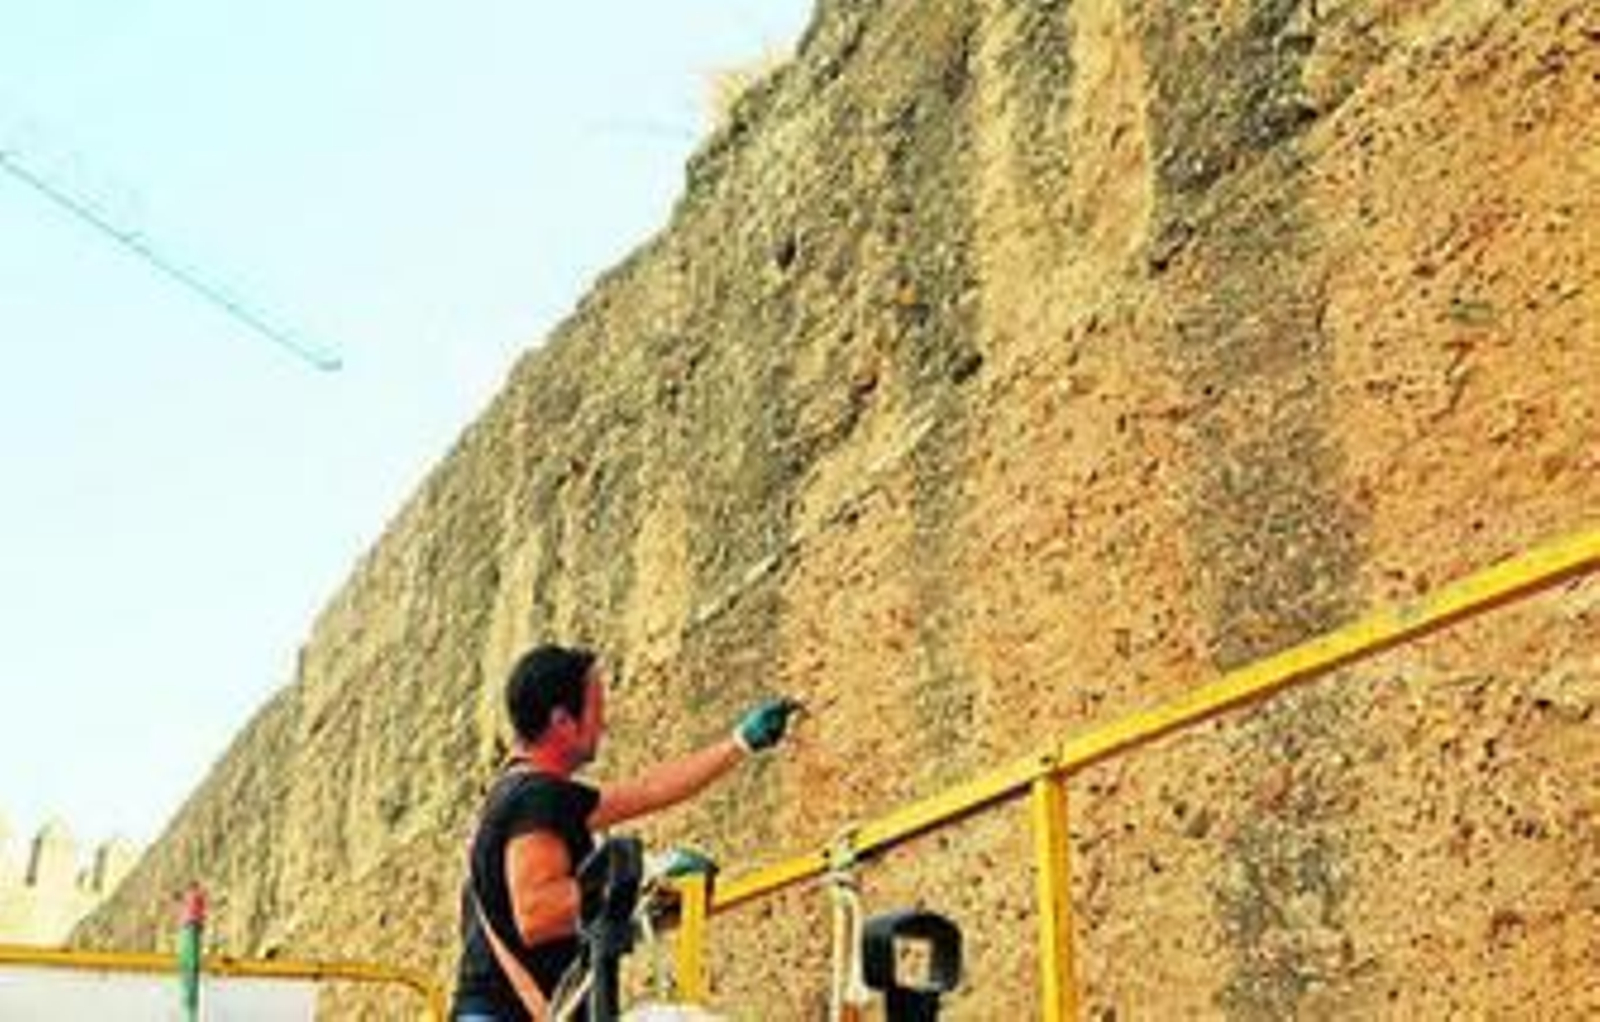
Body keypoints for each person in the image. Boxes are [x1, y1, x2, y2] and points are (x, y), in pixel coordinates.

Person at [452, 643, 801, 1021]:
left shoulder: (520, 796)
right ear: (562, 721)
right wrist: (646, 877)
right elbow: (538, 914)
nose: (603, 724)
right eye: (596, 710)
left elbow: (650, 789)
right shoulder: (536, 798)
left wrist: (740, 743)